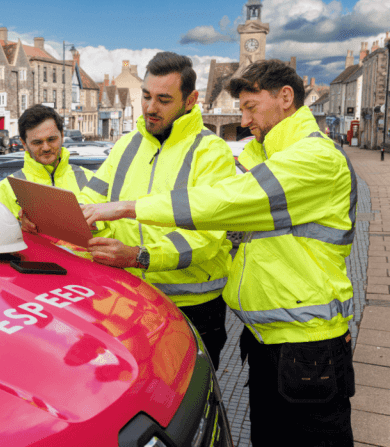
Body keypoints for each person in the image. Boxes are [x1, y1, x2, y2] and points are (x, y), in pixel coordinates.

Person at [82, 59, 357, 446]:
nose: (244, 121)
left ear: (285, 98)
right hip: (267, 340)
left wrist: (129, 209)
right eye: (241, 109)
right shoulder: (264, 156)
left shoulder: (315, 159)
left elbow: (223, 203)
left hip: (307, 346)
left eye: (250, 107)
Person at [80, 52, 235, 371]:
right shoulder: (125, 146)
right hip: (128, 299)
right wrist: (57, 218)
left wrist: (140, 256)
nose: (150, 108)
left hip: (190, 307)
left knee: (185, 407)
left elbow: (208, 235)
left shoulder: (211, 152)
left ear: (190, 100)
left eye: (164, 99)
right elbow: (90, 203)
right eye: (147, 96)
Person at [0, 104, 95, 235]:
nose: (46, 147)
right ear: (24, 144)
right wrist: (19, 228)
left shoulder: (90, 179)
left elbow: (112, 230)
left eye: (51, 139)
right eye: (37, 142)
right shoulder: (5, 190)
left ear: (62, 136)